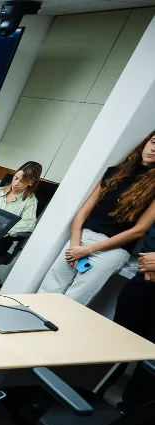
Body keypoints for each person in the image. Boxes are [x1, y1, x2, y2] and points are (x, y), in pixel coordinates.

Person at [40, 131, 155, 305]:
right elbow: (83, 212)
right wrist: (75, 244)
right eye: (153, 142)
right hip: (80, 240)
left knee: (73, 301)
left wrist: (87, 250)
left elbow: (139, 230)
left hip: (111, 249)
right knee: (48, 289)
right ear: (145, 143)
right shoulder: (115, 172)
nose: (154, 149)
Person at [111, 223, 155, 410]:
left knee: (150, 363)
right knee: (116, 345)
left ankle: (127, 415)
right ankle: (90, 394)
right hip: (143, 282)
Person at [0, 161, 42, 237]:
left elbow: (28, 225)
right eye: (16, 178)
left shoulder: (30, 201)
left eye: (22, 181)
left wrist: (1, 227)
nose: (16, 183)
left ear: (31, 182)